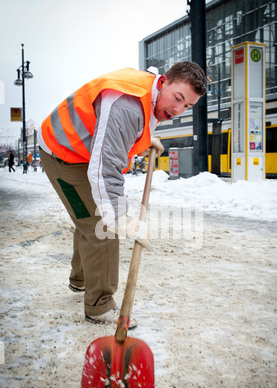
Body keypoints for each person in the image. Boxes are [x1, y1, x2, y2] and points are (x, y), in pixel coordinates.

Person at [38, 61, 206, 328]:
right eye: (177, 98)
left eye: (187, 106)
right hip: (63, 153)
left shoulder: (150, 92)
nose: (178, 109)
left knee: (90, 216)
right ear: (163, 82)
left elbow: (124, 132)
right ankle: (99, 305)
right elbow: (106, 169)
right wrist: (120, 218)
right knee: (102, 226)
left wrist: (144, 137)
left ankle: (80, 279)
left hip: (81, 150)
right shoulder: (126, 106)